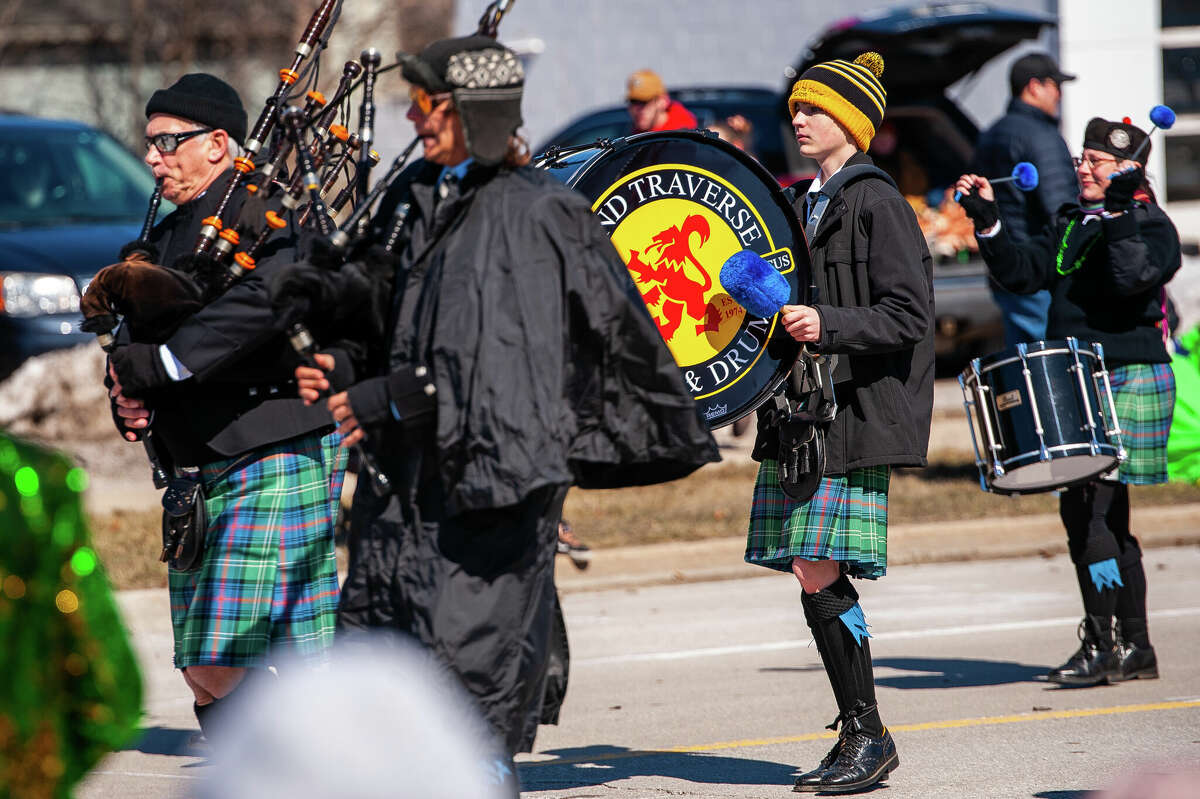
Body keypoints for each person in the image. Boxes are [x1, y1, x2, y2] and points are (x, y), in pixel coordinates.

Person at [289, 35, 718, 790]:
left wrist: (387, 396)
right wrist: (349, 365)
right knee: (392, 686)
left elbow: (516, 371)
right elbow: (399, 324)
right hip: (407, 486)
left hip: (493, 490)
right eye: (418, 105)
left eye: (431, 106)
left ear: (474, 115)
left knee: (466, 699)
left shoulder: (535, 216)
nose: (417, 120)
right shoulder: (420, 198)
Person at [105, 73, 346, 743]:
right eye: (150, 144)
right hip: (195, 463)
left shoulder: (271, 213)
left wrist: (169, 363)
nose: (154, 159)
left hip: (271, 442)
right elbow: (136, 325)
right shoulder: (171, 226)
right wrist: (127, 389)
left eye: (168, 143)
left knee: (234, 649)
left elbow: (271, 302)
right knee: (204, 670)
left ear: (218, 143)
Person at [747, 52, 934, 793]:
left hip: (850, 407)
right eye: (796, 108)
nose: (798, 119)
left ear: (851, 123)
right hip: (802, 411)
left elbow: (910, 312)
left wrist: (824, 321)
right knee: (808, 566)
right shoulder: (800, 201)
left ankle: (868, 732)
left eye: (814, 109)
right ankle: (862, 729)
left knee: (818, 565)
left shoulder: (876, 201)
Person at [956, 116, 1180, 687]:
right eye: (1082, 157)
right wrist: (989, 223)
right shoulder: (1072, 221)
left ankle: (1106, 644)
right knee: (1089, 513)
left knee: (1096, 514)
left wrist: (1124, 211)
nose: (1081, 167)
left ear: (1128, 171)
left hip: (1130, 375)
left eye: (1095, 161)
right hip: (1079, 377)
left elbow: (1131, 279)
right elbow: (1024, 274)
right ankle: (1135, 645)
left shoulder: (1153, 226)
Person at [972, 52, 1078, 347]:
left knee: (1024, 363)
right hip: (1037, 270)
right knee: (1052, 365)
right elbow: (1061, 210)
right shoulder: (1041, 136)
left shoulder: (991, 134)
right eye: (1054, 85)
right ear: (1034, 86)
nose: (1058, 94)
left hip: (1002, 265)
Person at [626, 68, 697, 133]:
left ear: (663, 101)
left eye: (645, 102)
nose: (638, 109)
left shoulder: (681, 135)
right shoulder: (636, 135)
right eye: (634, 101)